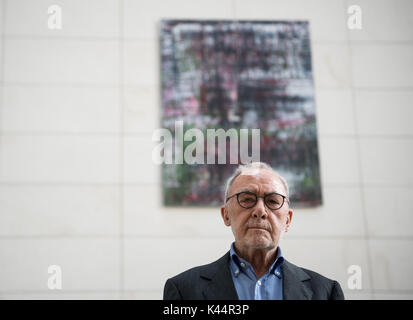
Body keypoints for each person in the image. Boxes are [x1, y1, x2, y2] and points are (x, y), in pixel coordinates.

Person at [163, 162, 344, 300]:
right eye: (247, 199)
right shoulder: (184, 290)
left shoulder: (326, 292)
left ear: (287, 220)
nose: (260, 211)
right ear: (226, 215)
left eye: (272, 201)